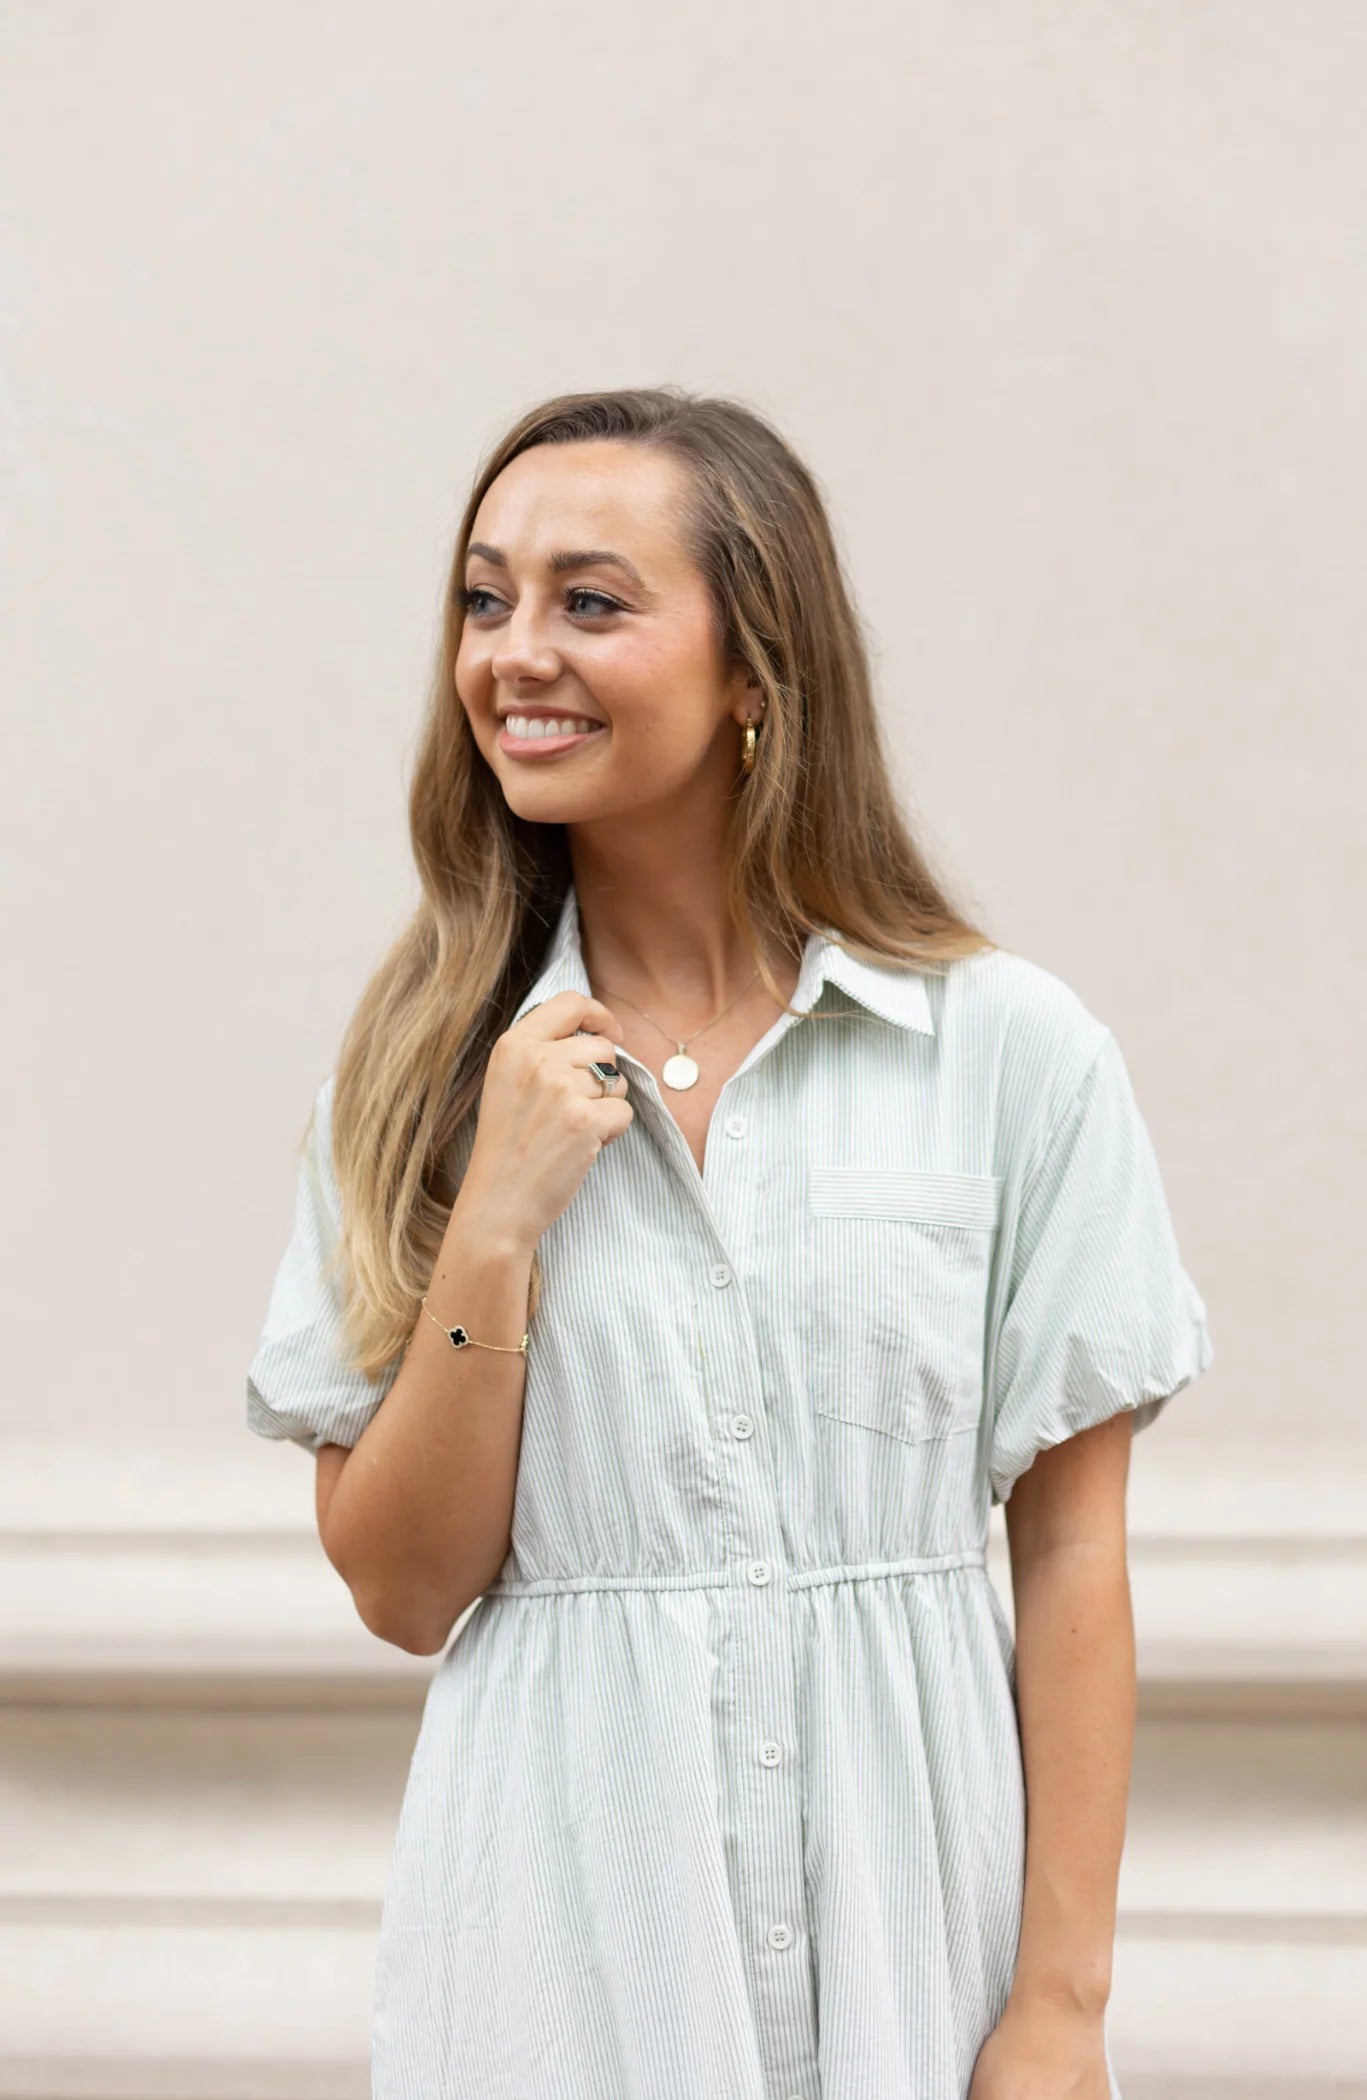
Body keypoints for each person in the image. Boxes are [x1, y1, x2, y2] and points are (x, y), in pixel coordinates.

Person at [244, 386, 1214, 2100]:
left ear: (756, 668)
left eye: (590, 601)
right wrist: (495, 1228)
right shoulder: (416, 1080)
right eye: (486, 600)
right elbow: (403, 1588)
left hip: (928, 1939)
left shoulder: (1006, 1054)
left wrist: (1060, 2006)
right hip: (556, 1960)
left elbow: (1072, 1560)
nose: (512, 654)